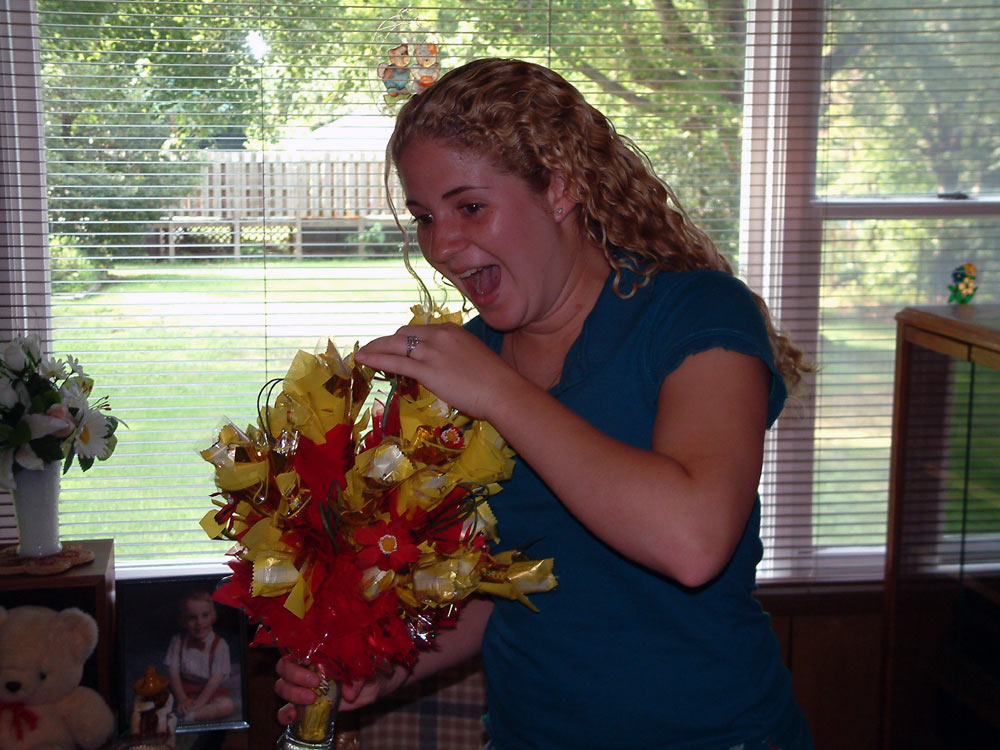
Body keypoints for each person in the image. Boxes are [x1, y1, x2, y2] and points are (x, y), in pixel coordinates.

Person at [276, 57, 814, 749]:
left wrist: (499, 393)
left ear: (559, 188)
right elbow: (508, 586)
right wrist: (392, 664)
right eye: (424, 217)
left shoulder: (697, 315)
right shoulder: (472, 362)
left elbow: (693, 541)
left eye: (470, 206)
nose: (442, 245)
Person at [165, 589, 236, 724]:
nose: (199, 622)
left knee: (226, 705)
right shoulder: (177, 641)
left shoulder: (220, 645)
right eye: (192, 617)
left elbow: (215, 680)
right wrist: (182, 699)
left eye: (205, 615)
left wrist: (199, 704)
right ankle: (179, 712)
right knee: (159, 700)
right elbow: (173, 673)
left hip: (209, 691)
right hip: (183, 689)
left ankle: (191, 716)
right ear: (183, 620)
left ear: (213, 616)